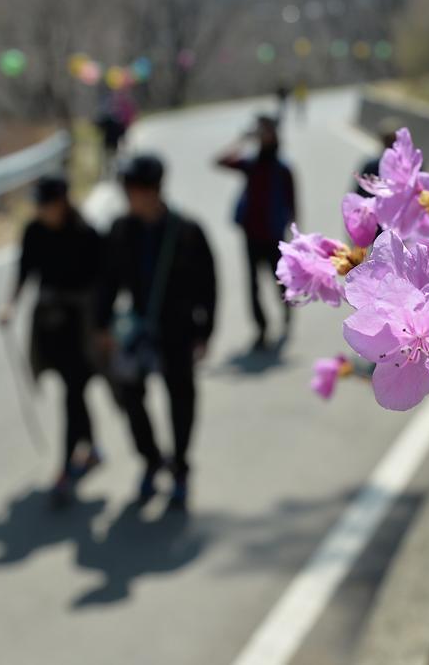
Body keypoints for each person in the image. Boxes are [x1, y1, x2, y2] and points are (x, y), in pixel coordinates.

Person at [96, 154, 216, 509]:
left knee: (181, 399)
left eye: (132, 189)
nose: (128, 196)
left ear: (152, 190)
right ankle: (150, 460)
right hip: (136, 330)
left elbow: (207, 284)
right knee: (131, 398)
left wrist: (204, 332)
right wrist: (102, 325)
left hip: (177, 330)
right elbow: (108, 280)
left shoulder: (187, 229)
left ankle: (180, 466)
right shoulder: (120, 229)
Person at [0, 175, 103, 503]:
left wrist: (103, 325)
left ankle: (66, 467)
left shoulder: (87, 234)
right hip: (48, 325)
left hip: (81, 326)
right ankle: (91, 448)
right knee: (73, 390)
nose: (42, 210)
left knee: (74, 391)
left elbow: (103, 282)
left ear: (62, 201)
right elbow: (25, 270)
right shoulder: (34, 231)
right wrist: (10, 305)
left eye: (46, 203)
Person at [216, 114, 297, 351]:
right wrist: (242, 139)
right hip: (251, 234)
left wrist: (296, 237)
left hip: (274, 235)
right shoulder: (251, 163)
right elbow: (219, 161)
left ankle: (287, 310)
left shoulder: (283, 168)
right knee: (252, 285)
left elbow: (293, 203)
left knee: (279, 280)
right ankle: (261, 329)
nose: (262, 136)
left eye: (265, 132)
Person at [354, 117, 401, 196]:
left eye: (393, 140)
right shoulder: (371, 166)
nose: (391, 144)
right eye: (389, 140)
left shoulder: (411, 167)